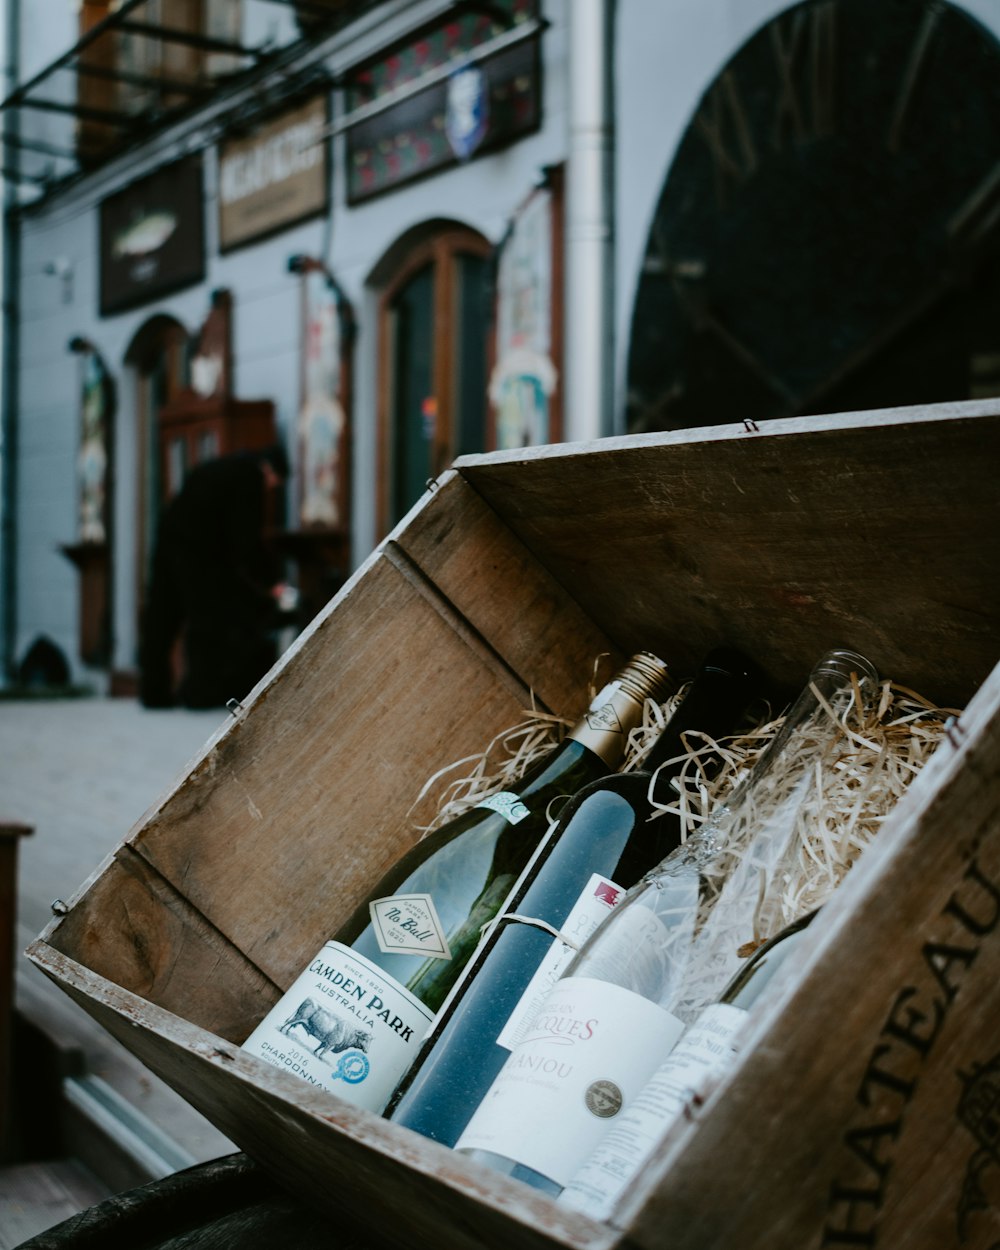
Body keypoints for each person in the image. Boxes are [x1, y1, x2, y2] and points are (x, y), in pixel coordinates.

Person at [139, 444, 289, 710]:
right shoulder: (249, 478)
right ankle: (198, 695)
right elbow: (245, 540)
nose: (270, 490)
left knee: (162, 619)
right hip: (198, 554)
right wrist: (271, 581)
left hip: (169, 540)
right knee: (205, 624)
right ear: (270, 472)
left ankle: (154, 693)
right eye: (274, 484)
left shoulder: (219, 466)